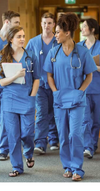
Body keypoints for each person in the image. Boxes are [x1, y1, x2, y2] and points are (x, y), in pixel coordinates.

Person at [44, 13, 97, 181]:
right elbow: (49, 75)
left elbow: (89, 76)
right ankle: (67, 166)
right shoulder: (53, 51)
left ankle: (77, 169)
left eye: (58, 32)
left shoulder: (82, 51)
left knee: (75, 134)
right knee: (63, 135)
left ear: (67, 33)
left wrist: (80, 92)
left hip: (77, 101)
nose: (55, 34)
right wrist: (54, 91)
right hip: (59, 100)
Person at [0, 26, 40, 177]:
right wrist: (15, 76)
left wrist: (32, 97)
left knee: (27, 132)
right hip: (9, 99)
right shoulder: (3, 56)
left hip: (27, 98)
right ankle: (17, 166)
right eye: (19, 37)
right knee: (13, 135)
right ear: (10, 39)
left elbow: (37, 79)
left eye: (23, 36)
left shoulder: (31, 56)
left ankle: (28, 152)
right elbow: (1, 82)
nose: (22, 39)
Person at [0, 10, 20, 161]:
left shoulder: (13, 39)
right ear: (7, 22)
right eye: (16, 23)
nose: (19, 26)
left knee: (4, 117)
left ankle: (3, 149)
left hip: (7, 84)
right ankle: (9, 141)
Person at [25, 12, 60, 154]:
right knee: (41, 113)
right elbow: (26, 60)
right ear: (41, 24)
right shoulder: (33, 42)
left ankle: (53, 139)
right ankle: (40, 142)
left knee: (54, 111)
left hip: (56, 83)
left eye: (50, 23)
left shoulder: (58, 41)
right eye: (44, 23)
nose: (47, 26)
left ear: (54, 25)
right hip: (39, 84)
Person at [78, 18, 100, 159]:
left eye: (85, 26)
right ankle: (88, 147)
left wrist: (91, 65)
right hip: (84, 89)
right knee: (85, 119)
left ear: (92, 29)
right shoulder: (79, 46)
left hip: (98, 90)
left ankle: (92, 144)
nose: (82, 29)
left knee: (96, 120)